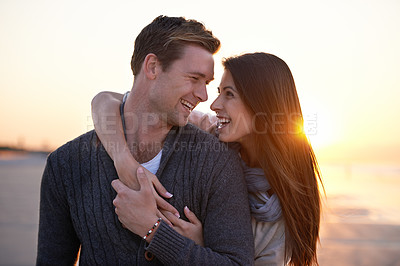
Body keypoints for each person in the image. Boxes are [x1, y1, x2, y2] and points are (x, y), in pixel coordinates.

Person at [36, 15, 255, 265]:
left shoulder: (218, 161)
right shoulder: (66, 163)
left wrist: (155, 232)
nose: (204, 95)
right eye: (194, 79)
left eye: (206, 83)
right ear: (152, 67)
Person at [92, 52, 324, 266]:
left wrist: (195, 243)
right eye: (219, 92)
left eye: (229, 95)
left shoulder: (283, 209)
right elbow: (106, 101)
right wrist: (124, 161)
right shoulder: (211, 133)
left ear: (262, 104)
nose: (214, 105)